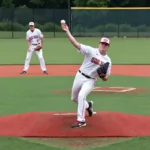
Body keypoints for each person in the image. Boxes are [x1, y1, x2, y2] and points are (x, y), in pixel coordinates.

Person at [61, 23, 112, 128]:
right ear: (99, 44)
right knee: (74, 98)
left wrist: (103, 76)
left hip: (91, 80)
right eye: (102, 43)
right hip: (79, 76)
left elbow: (106, 77)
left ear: (108, 47)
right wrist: (67, 32)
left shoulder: (108, 61)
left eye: (106, 44)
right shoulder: (90, 51)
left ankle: (81, 121)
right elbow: (76, 44)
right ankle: (89, 106)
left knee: (81, 96)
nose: (103, 45)